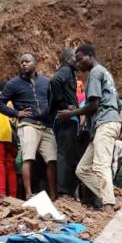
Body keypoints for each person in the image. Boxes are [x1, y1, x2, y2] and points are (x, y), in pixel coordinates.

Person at [56, 44, 122, 214]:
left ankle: (108, 208)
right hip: (104, 124)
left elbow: (93, 105)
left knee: (101, 166)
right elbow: (113, 102)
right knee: (83, 169)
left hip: (105, 123)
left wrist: (71, 113)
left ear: (91, 56)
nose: (78, 64)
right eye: (76, 60)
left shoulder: (95, 73)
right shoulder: (104, 72)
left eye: (80, 59)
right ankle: (111, 198)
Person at [0, 53, 56, 199]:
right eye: (21, 62)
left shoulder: (45, 82)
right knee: (28, 158)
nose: (23, 64)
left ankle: (54, 195)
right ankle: (28, 194)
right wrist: (16, 113)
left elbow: (52, 101)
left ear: (35, 63)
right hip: (28, 124)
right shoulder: (13, 83)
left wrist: (51, 114)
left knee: (52, 160)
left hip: (46, 125)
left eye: (27, 61)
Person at [48, 48, 80, 197]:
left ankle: (65, 190)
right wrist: (64, 105)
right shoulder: (66, 70)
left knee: (66, 154)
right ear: (68, 59)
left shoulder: (70, 72)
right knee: (64, 154)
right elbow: (54, 81)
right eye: (75, 57)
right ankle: (63, 191)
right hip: (66, 119)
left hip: (66, 119)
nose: (78, 60)